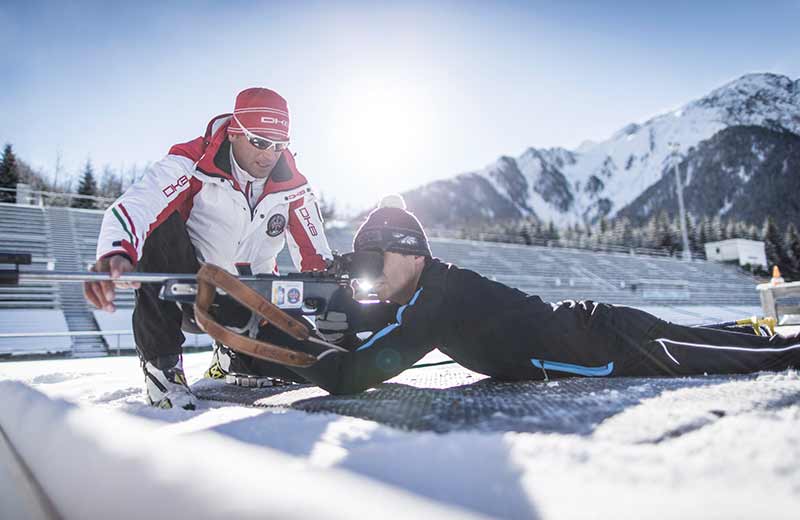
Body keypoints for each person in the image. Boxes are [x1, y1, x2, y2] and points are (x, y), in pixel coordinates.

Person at [284, 195, 800, 395]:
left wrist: (280, 341)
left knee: (761, 358)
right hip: (599, 332)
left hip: (610, 346)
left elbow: (352, 375)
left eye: (374, 263)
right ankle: (749, 330)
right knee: (719, 342)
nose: (369, 277)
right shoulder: (429, 290)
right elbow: (370, 318)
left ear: (412, 254)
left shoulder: (432, 302)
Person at [84, 88, 332, 409]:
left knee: (307, 362)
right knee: (161, 221)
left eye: (279, 145)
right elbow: (139, 203)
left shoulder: (293, 185)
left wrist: (336, 300)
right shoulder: (192, 161)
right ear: (235, 132)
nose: (270, 154)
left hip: (252, 299)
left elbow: (317, 258)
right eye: (259, 141)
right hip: (188, 289)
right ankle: (163, 367)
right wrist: (115, 252)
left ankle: (237, 358)